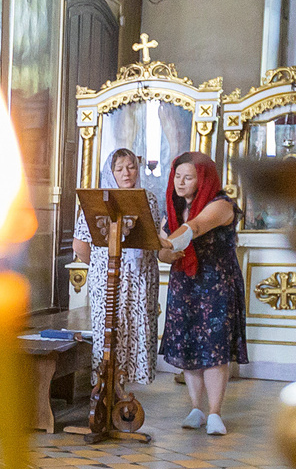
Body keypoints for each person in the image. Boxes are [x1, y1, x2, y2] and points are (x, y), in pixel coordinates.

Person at [157, 149, 247, 435]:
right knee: (188, 343)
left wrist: (162, 243)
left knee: (214, 346)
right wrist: (163, 253)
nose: (180, 183)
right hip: (185, 282)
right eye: (177, 177)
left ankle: (215, 412)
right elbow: (162, 251)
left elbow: (194, 227)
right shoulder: (172, 206)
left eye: (188, 177)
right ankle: (196, 408)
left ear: (204, 180)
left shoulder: (221, 204)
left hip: (216, 282)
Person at [74, 147, 160, 407]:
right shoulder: (97, 200)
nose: (126, 173)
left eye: (131, 166)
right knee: (108, 332)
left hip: (140, 279)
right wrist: (103, 265)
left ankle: (122, 389)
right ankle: (107, 390)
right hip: (108, 279)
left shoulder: (150, 199)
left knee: (134, 331)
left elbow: (153, 240)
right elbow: (80, 245)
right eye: (119, 168)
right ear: (110, 172)